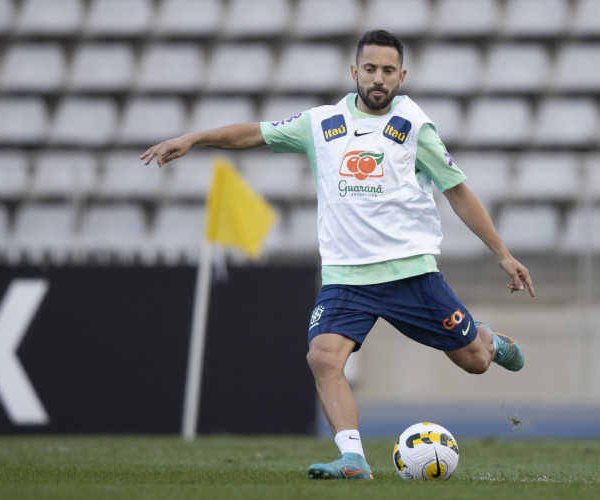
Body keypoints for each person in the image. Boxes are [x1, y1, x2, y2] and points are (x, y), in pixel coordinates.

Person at [141, 29, 535, 480]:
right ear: (355, 72)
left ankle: (489, 339)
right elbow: (255, 133)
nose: (379, 79)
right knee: (322, 357)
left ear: (402, 75)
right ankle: (353, 459)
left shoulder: (414, 126)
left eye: (388, 70)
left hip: (410, 273)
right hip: (346, 278)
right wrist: (194, 138)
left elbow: (458, 191)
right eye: (370, 69)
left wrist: (502, 254)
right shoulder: (321, 124)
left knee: (475, 362)